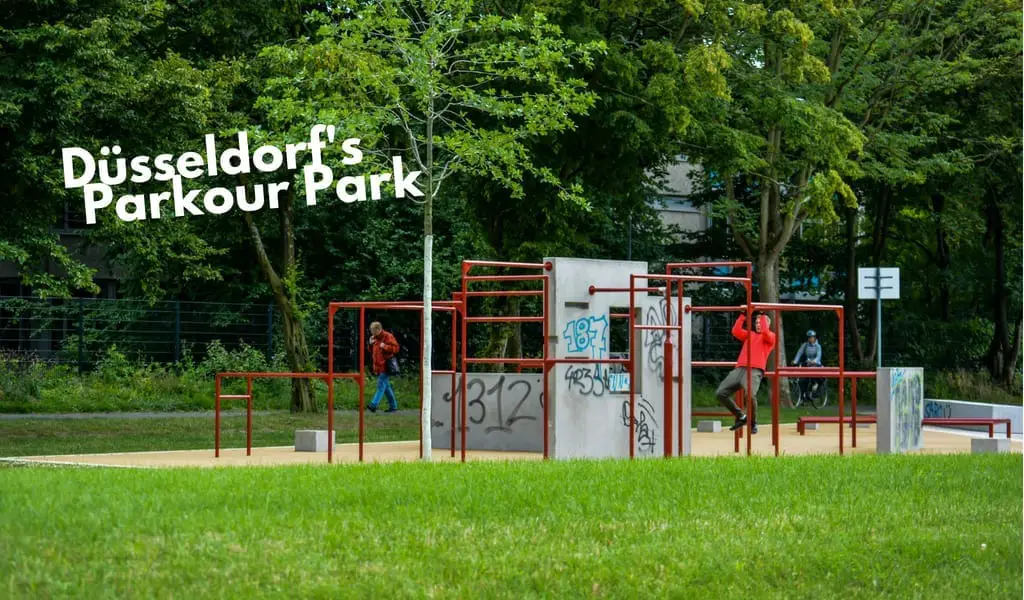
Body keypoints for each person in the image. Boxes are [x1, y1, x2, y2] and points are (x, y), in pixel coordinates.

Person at [714, 308, 777, 434]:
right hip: (740, 368)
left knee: (750, 395)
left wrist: (762, 314)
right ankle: (741, 416)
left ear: (767, 324)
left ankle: (753, 422)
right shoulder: (750, 335)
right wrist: (743, 315)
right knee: (720, 393)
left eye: (760, 322)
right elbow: (735, 331)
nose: (758, 325)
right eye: (756, 323)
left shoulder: (770, 337)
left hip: (754, 370)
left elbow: (765, 331)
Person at [367, 321, 400, 413]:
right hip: (378, 365)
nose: (372, 333)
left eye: (373, 331)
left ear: (379, 329)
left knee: (381, 385)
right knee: (386, 387)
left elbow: (396, 349)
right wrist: (370, 343)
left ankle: (373, 405)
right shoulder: (375, 338)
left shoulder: (388, 336)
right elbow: (371, 351)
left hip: (386, 365)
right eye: (371, 331)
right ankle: (393, 406)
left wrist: (385, 346)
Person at [793, 329, 823, 402]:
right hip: (808, 364)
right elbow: (799, 353)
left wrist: (814, 361)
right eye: (809, 337)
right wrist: (795, 361)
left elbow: (819, 356)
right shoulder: (805, 345)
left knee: (813, 378)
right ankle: (804, 396)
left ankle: (815, 387)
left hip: (816, 364)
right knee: (803, 380)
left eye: (812, 337)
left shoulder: (818, 346)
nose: (810, 339)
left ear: (815, 337)